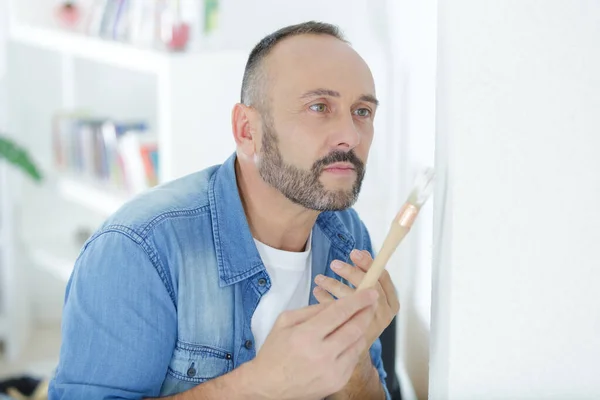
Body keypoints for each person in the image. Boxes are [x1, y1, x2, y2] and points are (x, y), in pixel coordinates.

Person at [48, 21, 400, 400]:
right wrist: (261, 384)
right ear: (247, 130)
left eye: (362, 111)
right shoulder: (137, 250)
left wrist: (357, 359)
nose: (351, 134)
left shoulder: (346, 235)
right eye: (319, 107)